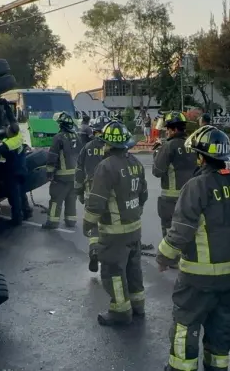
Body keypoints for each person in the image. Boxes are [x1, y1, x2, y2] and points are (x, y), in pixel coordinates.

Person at [157, 125, 230, 371]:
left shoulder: (196, 186)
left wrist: (163, 256)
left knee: (186, 324)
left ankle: (180, 368)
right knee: (220, 328)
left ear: (200, 156)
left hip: (198, 279)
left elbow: (181, 232)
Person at [83, 120, 148, 326]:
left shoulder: (106, 167)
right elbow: (143, 194)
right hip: (134, 229)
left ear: (108, 144)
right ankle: (138, 306)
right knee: (133, 269)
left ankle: (120, 311)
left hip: (114, 233)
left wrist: (87, 224)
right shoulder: (135, 163)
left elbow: (96, 202)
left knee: (113, 271)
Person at [152, 112, 198, 240]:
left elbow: (157, 171)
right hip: (191, 198)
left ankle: (170, 259)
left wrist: (157, 152)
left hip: (171, 202)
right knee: (189, 232)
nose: (166, 132)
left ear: (173, 129)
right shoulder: (192, 145)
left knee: (171, 235)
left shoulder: (168, 146)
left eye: (167, 129)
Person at [74, 116, 110, 272]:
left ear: (94, 131)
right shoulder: (113, 148)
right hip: (109, 194)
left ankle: (94, 250)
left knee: (94, 224)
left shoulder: (87, 147)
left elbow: (79, 172)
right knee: (109, 223)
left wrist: (79, 193)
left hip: (91, 192)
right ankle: (109, 255)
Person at [43, 112, 82, 229]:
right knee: (71, 199)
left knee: (56, 199)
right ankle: (71, 221)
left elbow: (52, 156)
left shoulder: (58, 137)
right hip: (74, 176)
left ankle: (52, 222)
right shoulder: (76, 136)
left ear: (61, 125)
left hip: (61, 177)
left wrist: (49, 173)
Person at [0, 122, 32, 226]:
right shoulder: (18, 138)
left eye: (7, 129)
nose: (6, 130)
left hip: (13, 172)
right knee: (21, 193)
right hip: (21, 170)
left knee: (14, 197)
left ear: (11, 132)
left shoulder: (10, 144)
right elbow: (4, 143)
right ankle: (27, 212)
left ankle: (17, 220)